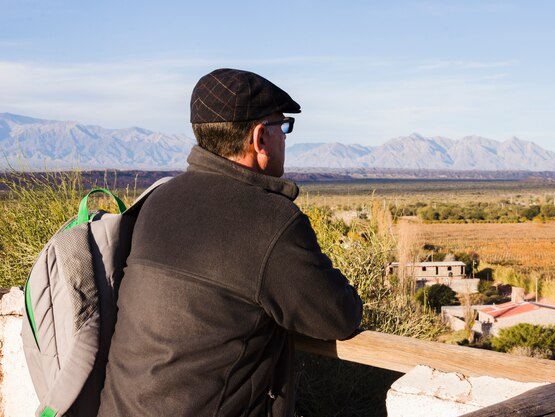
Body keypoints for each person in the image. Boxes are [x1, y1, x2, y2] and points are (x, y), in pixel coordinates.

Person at [98, 68, 363, 417]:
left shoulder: (159, 200)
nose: (285, 138)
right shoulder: (270, 221)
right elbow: (338, 317)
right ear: (259, 138)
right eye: (283, 127)